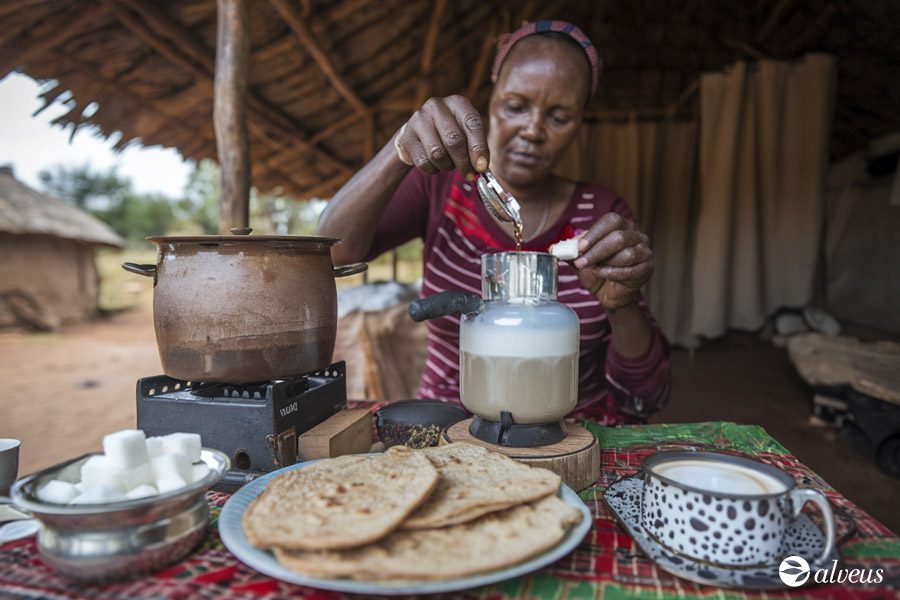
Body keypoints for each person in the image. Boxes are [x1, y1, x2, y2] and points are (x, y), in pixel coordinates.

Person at [318, 20, 669, 424]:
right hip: (453, 422)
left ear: (580, 123)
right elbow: (330, 252)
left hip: (569, 432)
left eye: (559, 117)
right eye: (516, 106)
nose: (533, 130)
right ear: (491, 95)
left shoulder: (602, 218)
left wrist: (622, 307)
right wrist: (398, 151)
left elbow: (647, 396)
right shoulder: (440, 189)